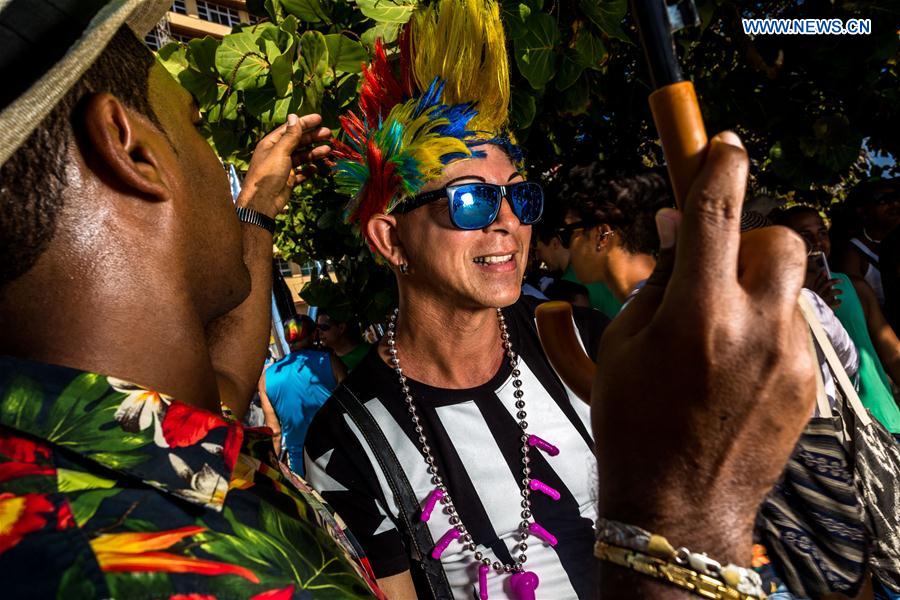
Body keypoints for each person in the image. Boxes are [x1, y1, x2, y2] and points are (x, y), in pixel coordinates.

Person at [0, 4, 382, 597]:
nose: (216, 162)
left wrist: (254, 213)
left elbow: (223, 388)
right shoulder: (166, 572)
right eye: (196, 126)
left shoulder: (68, 446)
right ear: (130, 150)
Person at [774, 205, 900, 433]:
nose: (817, 242)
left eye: (822, 232)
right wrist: (814, 311)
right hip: (833, 429)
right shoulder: (782, 298)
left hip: (885, 418)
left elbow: (893, 354)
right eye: (805, 235)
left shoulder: (854, 286)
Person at [563, 170, 672, 304]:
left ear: (601, 235)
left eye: (570, 231)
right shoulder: (674, 293)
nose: (568, 245)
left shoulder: (641, 318)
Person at [259, 314, 347, 474]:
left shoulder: (266, 378)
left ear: (287, 340)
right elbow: (351, 407)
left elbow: (275, 433)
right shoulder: (330, 361)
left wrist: (274, 472)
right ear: (314, 335)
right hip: (342, 454)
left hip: (302, 466)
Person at [533, 194, 623, 318]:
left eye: (569, 232)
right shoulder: (600, 272)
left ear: (555, 243)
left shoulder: (574, 282)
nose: (537, 257)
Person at [832, 178, 900, 306]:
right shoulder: (851, 253)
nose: (895, 204)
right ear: (862, 210)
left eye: (896, 198)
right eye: (883, 200)